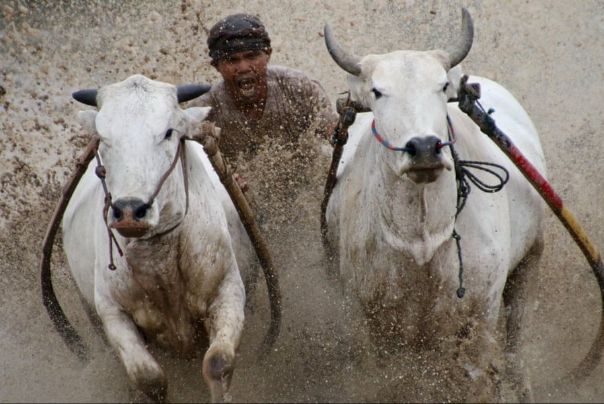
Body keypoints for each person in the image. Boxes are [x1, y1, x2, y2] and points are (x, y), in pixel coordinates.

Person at [190, 13, 339, 198]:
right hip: (242, 204)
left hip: (308, 193)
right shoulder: (203, 112)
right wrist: (221, 177)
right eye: (232, 60)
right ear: (216, 66)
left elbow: (335, 136)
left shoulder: (299, 89)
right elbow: (192, 166)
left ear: (267, 54)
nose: (243, 67)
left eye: (251, 56)